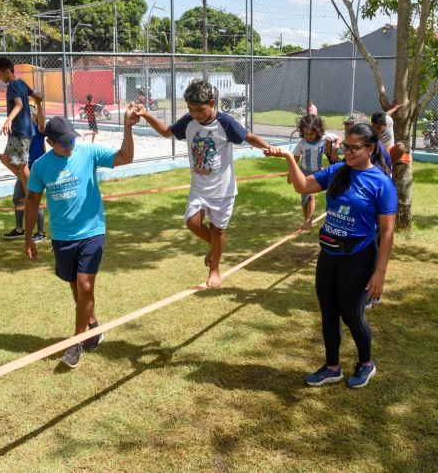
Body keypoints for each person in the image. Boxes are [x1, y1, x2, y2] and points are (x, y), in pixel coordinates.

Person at [265, 122, 397, 389]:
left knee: (351, 314)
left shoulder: (381, 184)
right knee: (328, 312)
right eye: (345, 146)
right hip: (329, 254)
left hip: (358, 256)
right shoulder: (338, 171)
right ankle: (331, 367)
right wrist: (290, 157)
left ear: (370, 148)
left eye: (354, 148)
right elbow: (303, 186)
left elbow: (386, 231)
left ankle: (366, 363)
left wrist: (379, 273)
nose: (347, 152)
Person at [23, 108, 140, 368]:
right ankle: (94, 328)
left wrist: (128, 128)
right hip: (63, 238)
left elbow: (125, 157)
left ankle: (76, 343)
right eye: (64, 142)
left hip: (92, 232)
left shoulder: (88, 152)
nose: (70, 145)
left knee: (86, 286)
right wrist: (29, 237)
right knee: (77, 288)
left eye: (72, 140)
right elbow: (32, 202)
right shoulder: (41, 166)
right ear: (50, 142)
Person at [136, 78, 272, 289]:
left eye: (200, 109)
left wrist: (267, 147)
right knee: (192, 222)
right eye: (191, 110)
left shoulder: (225, 123)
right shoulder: (188, 122)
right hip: (199, 189)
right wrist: (145, 114)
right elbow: (166, 132)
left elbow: (248, 136)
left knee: (218, 230)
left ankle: (215, 269)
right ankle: (216, 247)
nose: (196, 114)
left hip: (223, 190)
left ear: (212, 102)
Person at [0, 56, 43, 198]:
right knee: (6, 159)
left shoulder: (13, 85)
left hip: (20, 131)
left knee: (22, 166)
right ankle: (30, 186)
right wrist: (39, 100)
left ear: (7, 72)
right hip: (22, 131)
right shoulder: (21, 83)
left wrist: (8, 120)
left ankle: (31, 196)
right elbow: (36, 97)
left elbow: (19, 104)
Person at [0, 99, 47, 242]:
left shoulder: (38, 130)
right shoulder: (20, 133)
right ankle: (20, 230)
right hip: (24, 171)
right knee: (17, 199)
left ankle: (40, 233)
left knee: (34, 200)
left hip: (35, 172)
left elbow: (42, 122)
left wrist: (38, 104)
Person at [290, 114, 339, 231]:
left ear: (318, 131)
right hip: (303, 172)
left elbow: (338, 137)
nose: (309, 137)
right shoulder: (302, 143)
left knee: (311, 196)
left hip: (315, 173)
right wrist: (290, 174)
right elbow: (294, 159)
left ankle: (308, 221)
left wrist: (336, 147)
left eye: (311, 134)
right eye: (306, 134)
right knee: (304, 200)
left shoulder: (324, 137)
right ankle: (306, 218)